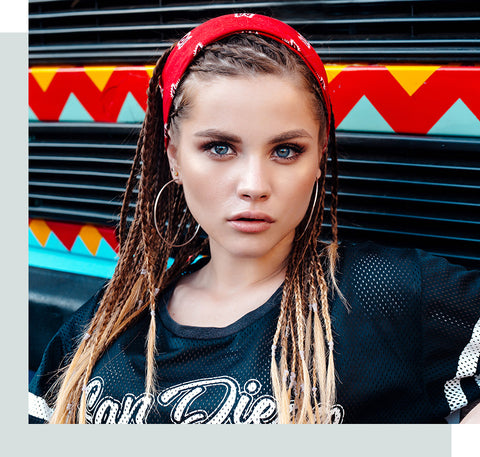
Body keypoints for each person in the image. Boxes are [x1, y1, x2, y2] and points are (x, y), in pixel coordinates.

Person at [28, 14, 480, 424]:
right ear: (174, 158)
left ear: (320, 157)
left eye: (286, 150)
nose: (254, 184)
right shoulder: (104, 324)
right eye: (219, 147)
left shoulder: (387, 294)